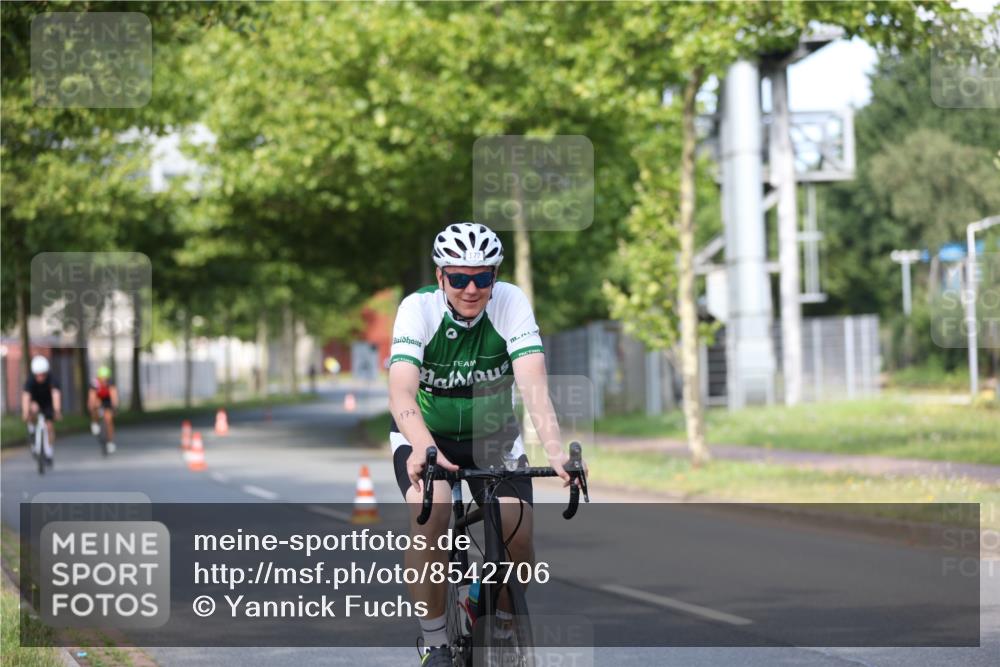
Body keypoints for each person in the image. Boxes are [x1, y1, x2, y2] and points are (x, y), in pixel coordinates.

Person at [388, 222, 582, 666]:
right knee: (432, 510)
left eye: (483, 277)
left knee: (518, 531)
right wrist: (421, 447)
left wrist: (554, 450)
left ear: (496, 276)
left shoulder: (511, 302)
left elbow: (534, 386)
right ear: (441, 277)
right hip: (427, 434)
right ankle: (435, 642)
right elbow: (401, 390)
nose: (471, 288)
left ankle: (503, 624)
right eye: (459, 278)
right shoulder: (418, 309)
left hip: (494, 436)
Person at [21, 355, 61, 464]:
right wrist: (25, 413)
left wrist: (57, 410)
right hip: (35, 401)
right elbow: (26, 397)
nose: (40, 377)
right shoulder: (30, 380)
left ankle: (49, 452)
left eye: (43, 374)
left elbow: (55, 394)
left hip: (48, 403)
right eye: (38, 375)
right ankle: (32, 430)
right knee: (33, 409)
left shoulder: (52, 379)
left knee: (49, 426)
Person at [88, 365, 119, 453]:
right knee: (95, 405)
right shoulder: (94, 383)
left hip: (107, 400)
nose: (104, 381)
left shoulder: (111, 383)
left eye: (106, 379)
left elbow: (114, 396)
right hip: (98, 398)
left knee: (109, 420)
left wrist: (115, 407)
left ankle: (110, 441)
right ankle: (95, 422)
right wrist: (92, 407)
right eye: (102, 379)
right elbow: (92, 398)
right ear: (99, 378)